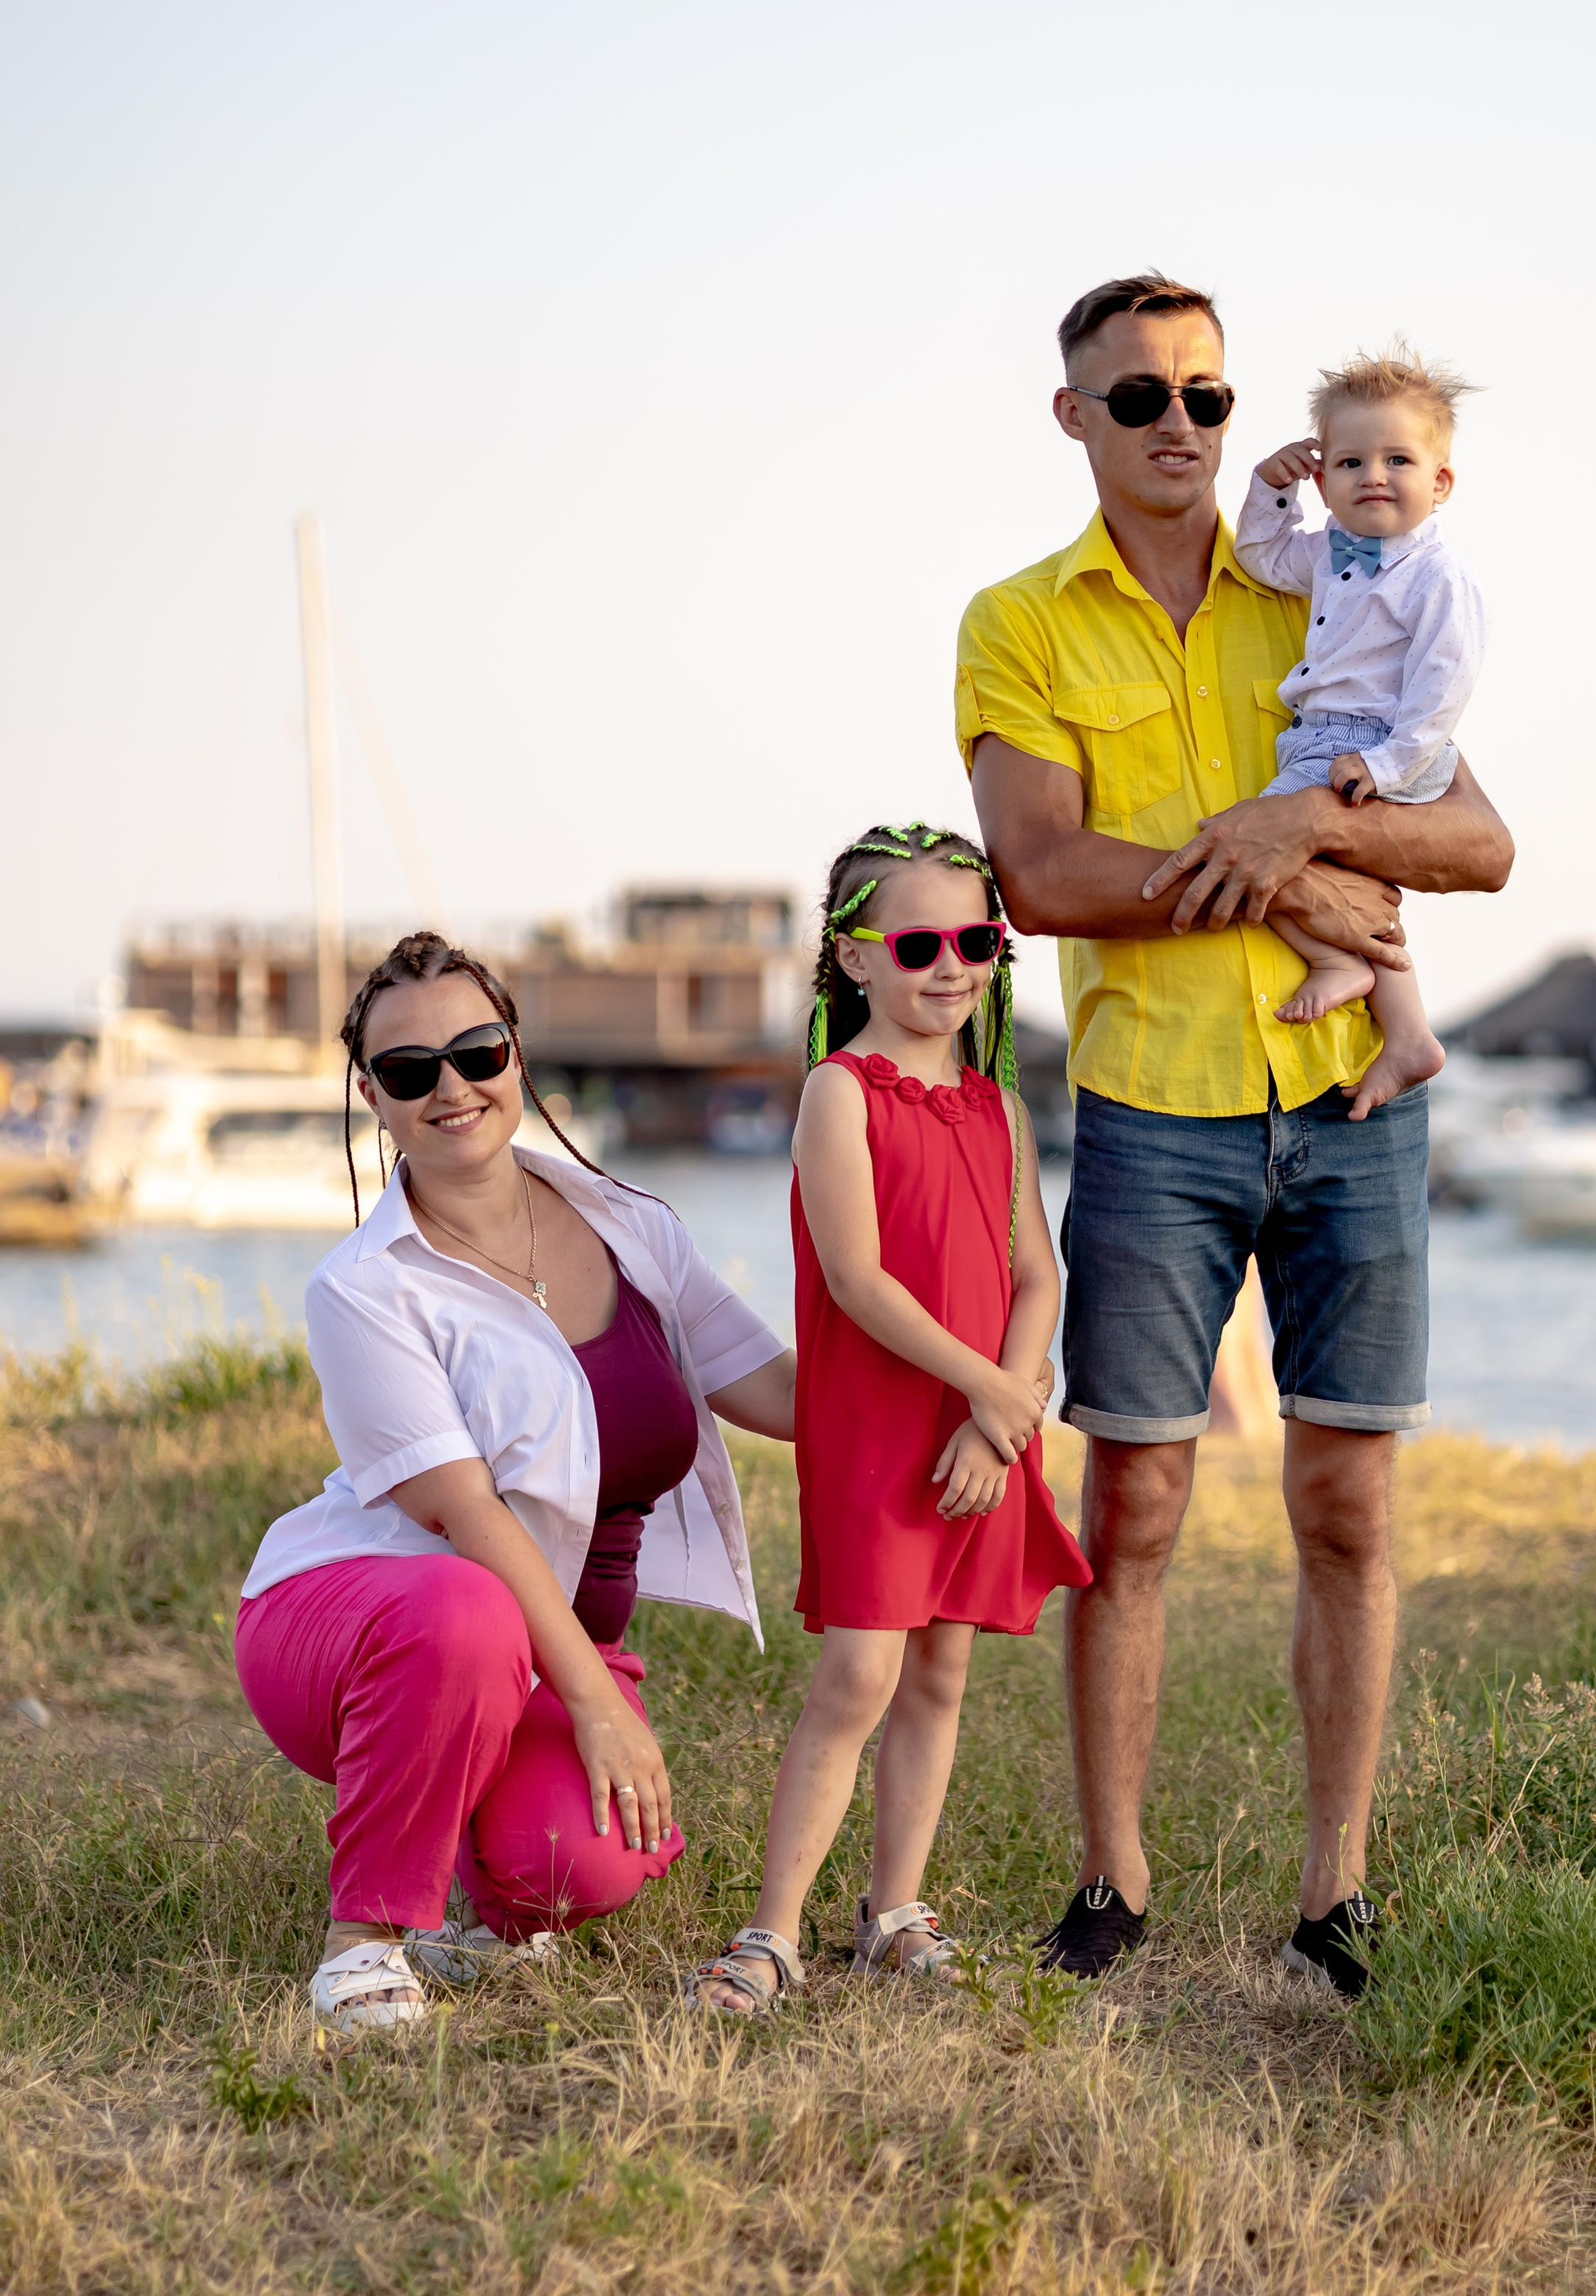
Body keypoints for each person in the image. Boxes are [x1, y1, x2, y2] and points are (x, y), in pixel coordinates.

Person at [957, 273, 1514, 1991]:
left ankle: (1334, 1892)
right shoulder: (1017, 623)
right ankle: (1111, 1884)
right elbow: (1040, 878)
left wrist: (1286, 823)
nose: (1180, 428)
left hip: (1349, 1103)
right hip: (1148, 1116)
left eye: (1204, 397)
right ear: (1074, 419)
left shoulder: (1335, 572)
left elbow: (1478, 841)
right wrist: (1270, 860)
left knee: (1347, 1507)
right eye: (1138, 400)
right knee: (1130, 1508)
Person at [236, 930, 795, 2036]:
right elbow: (466, 1516)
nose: (452, 1087)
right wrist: (599, 1707)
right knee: (466, 1605)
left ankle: (461, 1881)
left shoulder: (633, 1226)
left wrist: (958, 1377)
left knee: (576, 1870)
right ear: (373, 1098)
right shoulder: (363, 1288)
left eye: (477, 1051)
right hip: (353, 1624)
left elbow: (781, 1392)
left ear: (517, 1055)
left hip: (544, 1652)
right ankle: (365, 1942)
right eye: (410, 1072)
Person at [688, 823, 1088, 2015]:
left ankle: (892, 1909)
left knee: (942, 1670)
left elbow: (1039, 1278)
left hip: (979, 1438)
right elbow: (859, 1281)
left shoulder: (1000, 1109)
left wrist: (1001, 1418)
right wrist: (991, 1389)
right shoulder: (837, 1096)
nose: (953, 966)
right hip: (880, 1432)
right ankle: (770, 1935)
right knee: (861, 1672)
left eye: (977, 939)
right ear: (854, 959)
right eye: (920, 943)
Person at [1233, 345, 1486, 1111]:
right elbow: (1259, 556)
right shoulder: (1329, 555)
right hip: (1328, 740)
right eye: (1348, 462)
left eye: (1397, 459)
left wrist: (1385, 765)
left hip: (1372, 744)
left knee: (1249, 850)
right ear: (1324, 481)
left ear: (1439, 483)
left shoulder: (1437, 575)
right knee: (1350, 886)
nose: (1372, 475)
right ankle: (1408, 1037)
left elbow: (1444, 685)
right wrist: (1268, 488)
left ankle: (1340, 968)